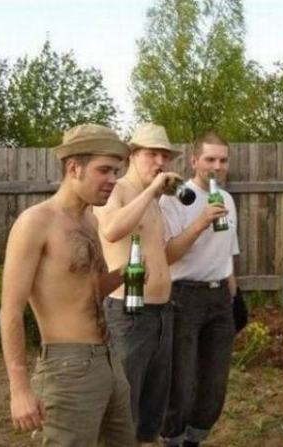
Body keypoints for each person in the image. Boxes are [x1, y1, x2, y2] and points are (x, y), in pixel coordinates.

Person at [0, 124, 137, 447]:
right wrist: (19, 388)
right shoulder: (36, 222)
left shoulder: (90, 220)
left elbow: (88, 290)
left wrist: (124, 274)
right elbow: (10, 310)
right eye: (104, 170)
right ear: (74, 168)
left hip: (108, 359)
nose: (113, 179)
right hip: (67, 367)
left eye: (116, 171)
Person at [94, 122, 183, 445]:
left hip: (162, 313)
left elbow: (163, 254)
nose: (160, 162)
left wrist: (201, 224)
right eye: (152, 154)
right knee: (124, 406)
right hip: (128, 313)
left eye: (165, 156)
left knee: (151, 409)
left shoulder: (155, 202)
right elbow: (111, 230)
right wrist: (151, 190)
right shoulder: (116, 190)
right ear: (132, 154)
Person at [159, 131, 240, 447]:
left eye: (223, 160)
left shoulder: (228, 199)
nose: (217, 167)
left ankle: (194, 439)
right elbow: (167, 255)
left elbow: (228, 251)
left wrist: (234, 293)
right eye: (210, 159)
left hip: (220, 297)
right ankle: (172, 439)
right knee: (181, 382)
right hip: (184, 296)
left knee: (214, 384)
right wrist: (201, 222)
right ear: (194, 161)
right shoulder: (175, 199)